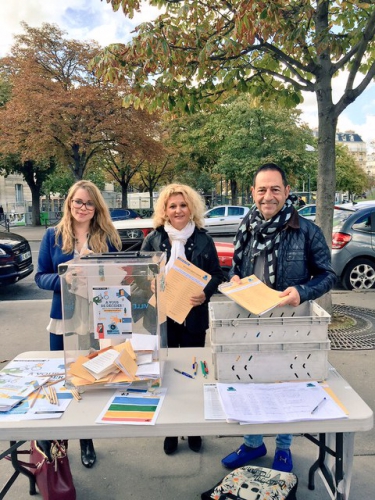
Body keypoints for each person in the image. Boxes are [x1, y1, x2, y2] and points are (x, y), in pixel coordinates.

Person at [221, 163, 336, 473]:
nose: (268, 196)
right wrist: (233, 279)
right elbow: (236, 267)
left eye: (275, 189)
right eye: (262, 190)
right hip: (249, 320)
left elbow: (327, 274)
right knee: (249, 380)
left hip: (289, 320)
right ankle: (252, 443)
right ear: (253, 193)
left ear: (287, 191)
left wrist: (301, 290)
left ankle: (283, 448)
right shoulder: (246, 225)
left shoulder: (307, 231)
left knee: (286, 382)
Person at [35, 180, 122, 468]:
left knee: (88, 380)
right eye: (77, 201)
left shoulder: (106, 235)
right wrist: (64, 277)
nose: (82, 208)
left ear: (96, 207)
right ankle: (57, 439)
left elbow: (117, 275)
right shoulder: (52, 235)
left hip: (95, 316)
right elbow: (40, 277)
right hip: (63, 315)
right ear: (69, 203)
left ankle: (86, 438)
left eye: (88, 203)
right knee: (61, 378)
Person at [141, 183, 224, 455]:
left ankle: (194, 428)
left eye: (183, 205)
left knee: (193, 374)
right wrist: (149, 284)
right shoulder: (153, 239)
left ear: (192, 209)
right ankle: (171, 430)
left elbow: (216, 274)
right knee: (166, 375)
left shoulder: (203, 239)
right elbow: (139, 275)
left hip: (193, 318)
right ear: (164, 210)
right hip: (164, 318)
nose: (178, 210)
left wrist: (205, 293)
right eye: (172, 205)